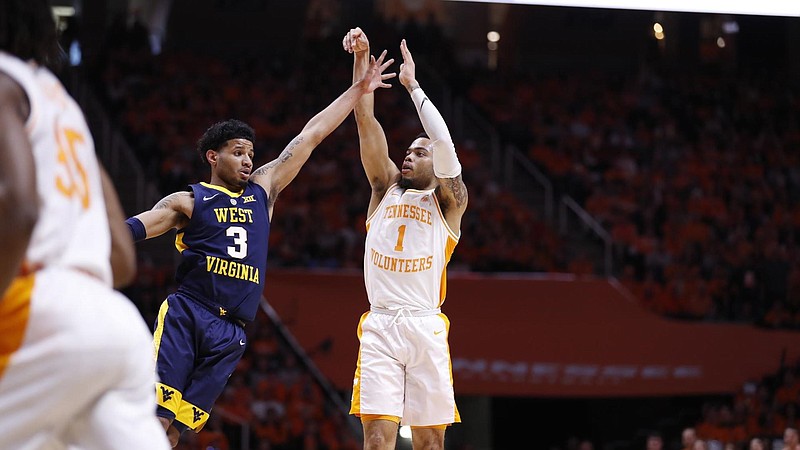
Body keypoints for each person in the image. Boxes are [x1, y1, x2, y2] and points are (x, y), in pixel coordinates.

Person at [124, 51, 395, 446]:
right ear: (212, 157)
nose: (248, 160)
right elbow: (140, 225)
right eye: (238, 152)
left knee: (177, 429)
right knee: (155, 417)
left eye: (251, 153)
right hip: (189, 313)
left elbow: (311, 134)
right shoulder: (189, 201)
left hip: (231, 332)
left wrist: (358, 89)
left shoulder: (262, 191)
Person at [0, 0, 170, 448]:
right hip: (114, 323)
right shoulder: (65, 107)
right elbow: (121, 256)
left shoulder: (4, 81)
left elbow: (20, 209)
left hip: (37, 310)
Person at [343, 27, 468, 450]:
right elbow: (365, 121)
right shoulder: (384, 188)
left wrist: (413, 87)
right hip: (380, 323)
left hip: (425, 323)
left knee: (431, 443)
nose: (408, 156)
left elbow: (446, 144)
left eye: (419, 151)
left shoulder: (449, 202)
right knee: (378, 439)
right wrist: (361, 62)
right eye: (408, 151)